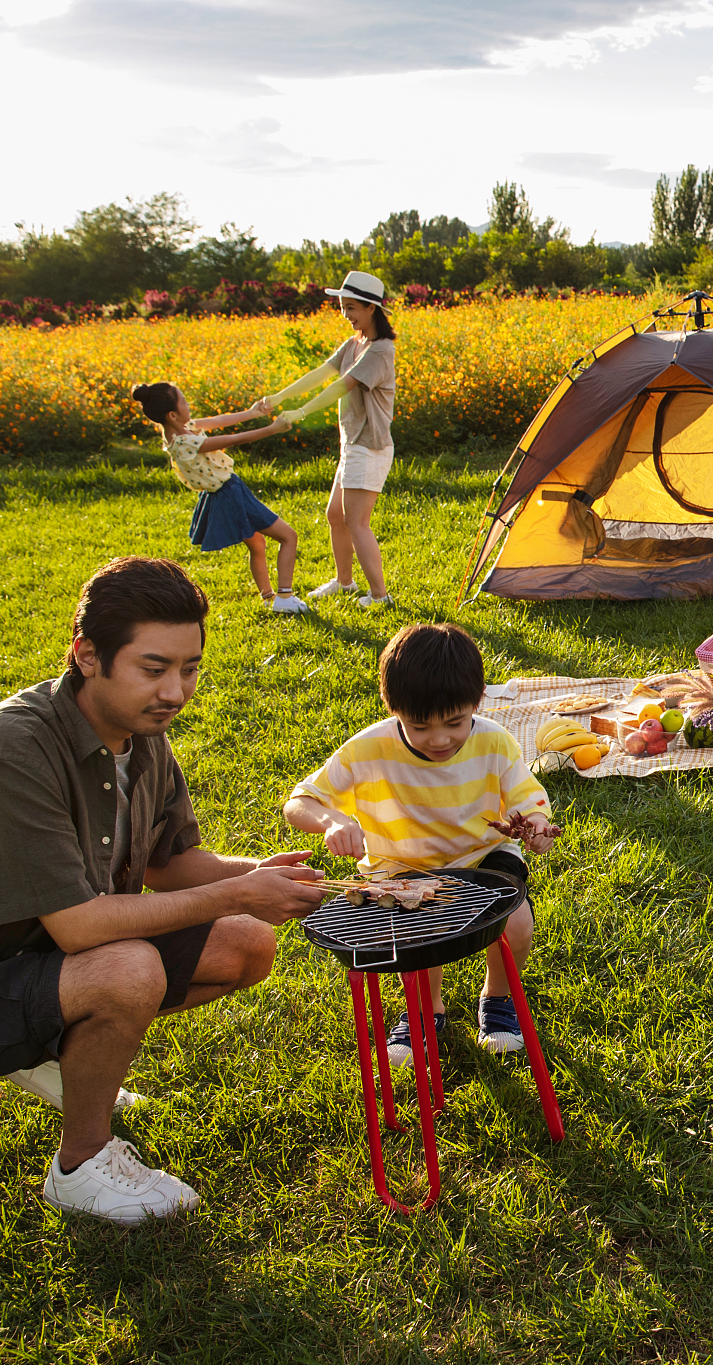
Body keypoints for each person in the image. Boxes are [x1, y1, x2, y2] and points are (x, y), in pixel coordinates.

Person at [0, 558, 328, 1224]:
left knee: (247, 944)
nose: (176, 692)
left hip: (45, 962)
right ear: (87, 655)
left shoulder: (142, 734)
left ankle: (60, 1050)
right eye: (154, 669)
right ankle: (80, 1164)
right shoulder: (11, 749)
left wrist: (269, 876)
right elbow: (78, 926)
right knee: (128, 969)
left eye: (189, 669)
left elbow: (172, 862)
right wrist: (237, 893)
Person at [284, 623, 558, 1066]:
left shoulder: (494, 740)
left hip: (481, 853)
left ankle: (498, 998)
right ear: (393, 709)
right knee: (419, 940)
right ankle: (427, 1012)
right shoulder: (367, 749)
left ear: (479, 699)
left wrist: (538, 828)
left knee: (516, 924)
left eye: (454, 722)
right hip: (401, 864)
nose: (439, 739)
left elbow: (530, 801)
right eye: (419, 726)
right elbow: (300, 802)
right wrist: (331, 820)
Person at [260, 270, 397, 609]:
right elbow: (321, 374)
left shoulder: (380, 351)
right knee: (336, 515)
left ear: (371, 308)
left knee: (357, 522)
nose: (346, 315)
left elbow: (341, 386)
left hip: (369, 447)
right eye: (342, 308)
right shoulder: (354, 344)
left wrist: (300, 413)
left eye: (351, 308)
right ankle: (345, 582)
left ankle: (380, 596)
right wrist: (279, 398)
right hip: (352, 446)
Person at [131, 382, 305, 613]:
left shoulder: (184, 428)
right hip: (229, 493)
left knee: (258, 544)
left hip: (225, 492)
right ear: (172, 414)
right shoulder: (184, 443)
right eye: (183, 401)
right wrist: (272, 429)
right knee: (288, 537)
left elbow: (219, 420)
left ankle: (268, 597)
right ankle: (284, 598)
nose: (188, 404)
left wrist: (252, 413)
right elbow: (231, 440)